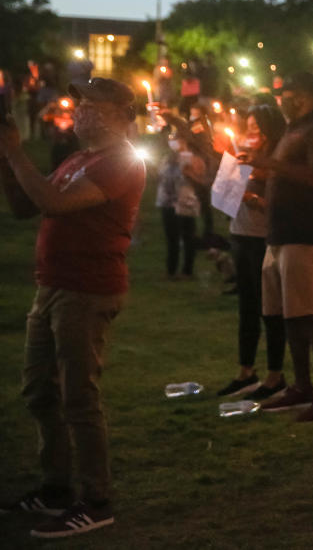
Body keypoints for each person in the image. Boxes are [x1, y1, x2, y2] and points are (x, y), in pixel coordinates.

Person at [0, 77, 146, 538]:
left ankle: (96, 499)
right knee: (39, 390)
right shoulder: (79, 158)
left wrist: (15, 151)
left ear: (122, 113)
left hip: (87, 291)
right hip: (53, 288)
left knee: (78, 396)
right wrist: (7, 157)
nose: (79, 110)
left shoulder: (121, 160)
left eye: (91, 104)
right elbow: (27, 207)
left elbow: (53, 202)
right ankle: (55, 487)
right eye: (79, 102)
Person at [242, 72, 313, 421]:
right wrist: (260, 199)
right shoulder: (291, 130)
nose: (282, 98)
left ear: (306, 95)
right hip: (279, 232)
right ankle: (302, 386)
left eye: (288, 92)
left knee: (312, 313)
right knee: (287, 313)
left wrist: (268, 164)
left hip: (305, 231)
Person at [215, 105, 289, 401]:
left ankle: (275, 375)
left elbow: (281, 202)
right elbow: (222, 196)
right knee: (246, 307)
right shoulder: (241, 154)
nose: (251, 132)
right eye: (248, 125)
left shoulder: (278, 160)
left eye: (257, 127)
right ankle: (246, 371)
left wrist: (255, 199)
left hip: (263, 239)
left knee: (269, 308)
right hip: (239, 235)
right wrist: (229, 184)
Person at [155, 129, 204, 280]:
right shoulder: (166, 159)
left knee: (188, 237)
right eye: (172, 138)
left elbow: (203, 183)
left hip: (186, 202)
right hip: (167, 202)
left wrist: (190, 174)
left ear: (185, 140)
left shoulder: (195, 159)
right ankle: (171, 270)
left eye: (177, 138)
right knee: (171, 238)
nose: (174, 142)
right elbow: (159, 177)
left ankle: (187, 271)